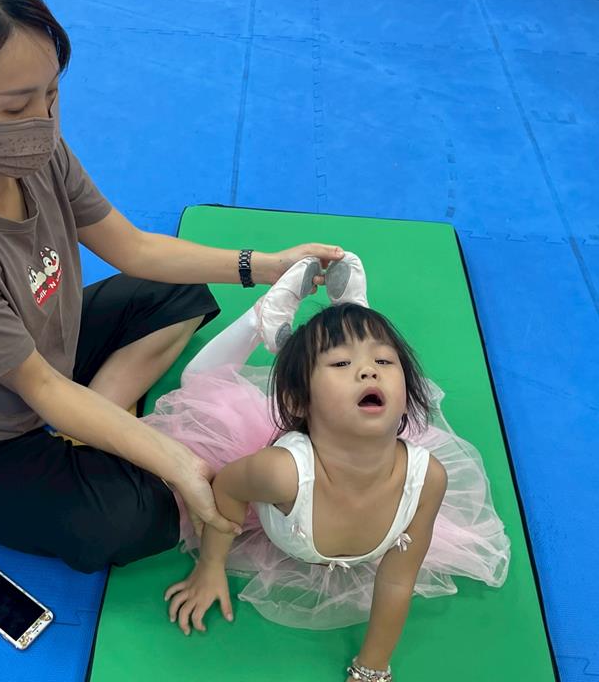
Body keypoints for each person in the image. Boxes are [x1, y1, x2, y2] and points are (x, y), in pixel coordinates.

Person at [0, 0, 344, 573]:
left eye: (51, 94)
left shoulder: (30, 150)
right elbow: (42, 389)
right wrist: (175, 461)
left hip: (43, 359)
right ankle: (94, 434)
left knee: (178, 293)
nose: (43, 121)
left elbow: (133, 249)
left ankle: (91, 425)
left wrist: (267, 265)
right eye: (16, 106)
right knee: (139, 516)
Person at [147, 253, 510, 681]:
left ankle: (351, 314)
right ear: (299, 402)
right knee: (201, 386)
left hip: (340, 445)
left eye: (385, 362)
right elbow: (226, 487)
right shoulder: (279, 473)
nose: (369, 372)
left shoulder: (427, 479)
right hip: (291, 454)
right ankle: (262, 320)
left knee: (355, 359)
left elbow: (397, 579)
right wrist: (210, 566)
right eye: (341, 364)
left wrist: (372, 668)